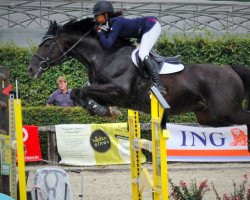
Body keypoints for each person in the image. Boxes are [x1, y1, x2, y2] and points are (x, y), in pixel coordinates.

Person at [92, 1, 167, 93]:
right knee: (136, 56)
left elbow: (108, 44)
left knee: (142, 54)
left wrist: (99, 32)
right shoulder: (110, 24)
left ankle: (159, 84)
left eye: (97, 15)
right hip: (143, 32)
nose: (95, 18)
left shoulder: (116, 22)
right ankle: (145, 82)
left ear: (105, 14)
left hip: (151, 26)